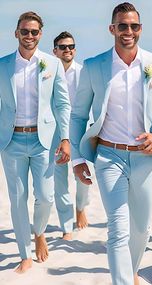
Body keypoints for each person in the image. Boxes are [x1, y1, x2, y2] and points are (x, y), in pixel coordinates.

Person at [70, 2, 152, 285]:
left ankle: (130, 272)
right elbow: (78, 115)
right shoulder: (93, 67)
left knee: (141, 230)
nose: (128, 31)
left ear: (140, 29)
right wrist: (78, 159)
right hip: (108, 157)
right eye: (122, 26)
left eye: (134, 26)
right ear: (112, 28)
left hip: (146, 158)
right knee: (118, 229)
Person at [0, 12, 71, 273]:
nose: (29, 36)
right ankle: (24, 254)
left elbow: (63, 104)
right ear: (16, 33)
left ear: (40, 34)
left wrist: (65, 138)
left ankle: (39, 231)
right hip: (11, 141)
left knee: (45, 196)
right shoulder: (2, 65)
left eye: (34, 32)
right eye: (24, 31)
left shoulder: (52, 65)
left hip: (44, 141)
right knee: (18, 199)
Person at [53, 31, 90, 240]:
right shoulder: (47, 71)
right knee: (60, 181)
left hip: (79, 131)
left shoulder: (83, 72)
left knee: (82, 176)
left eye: (71, 46)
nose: (68, 50)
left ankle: (81, 207)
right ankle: (66, 227)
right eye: (63, 47)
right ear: (55, 51)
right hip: (55, 133)